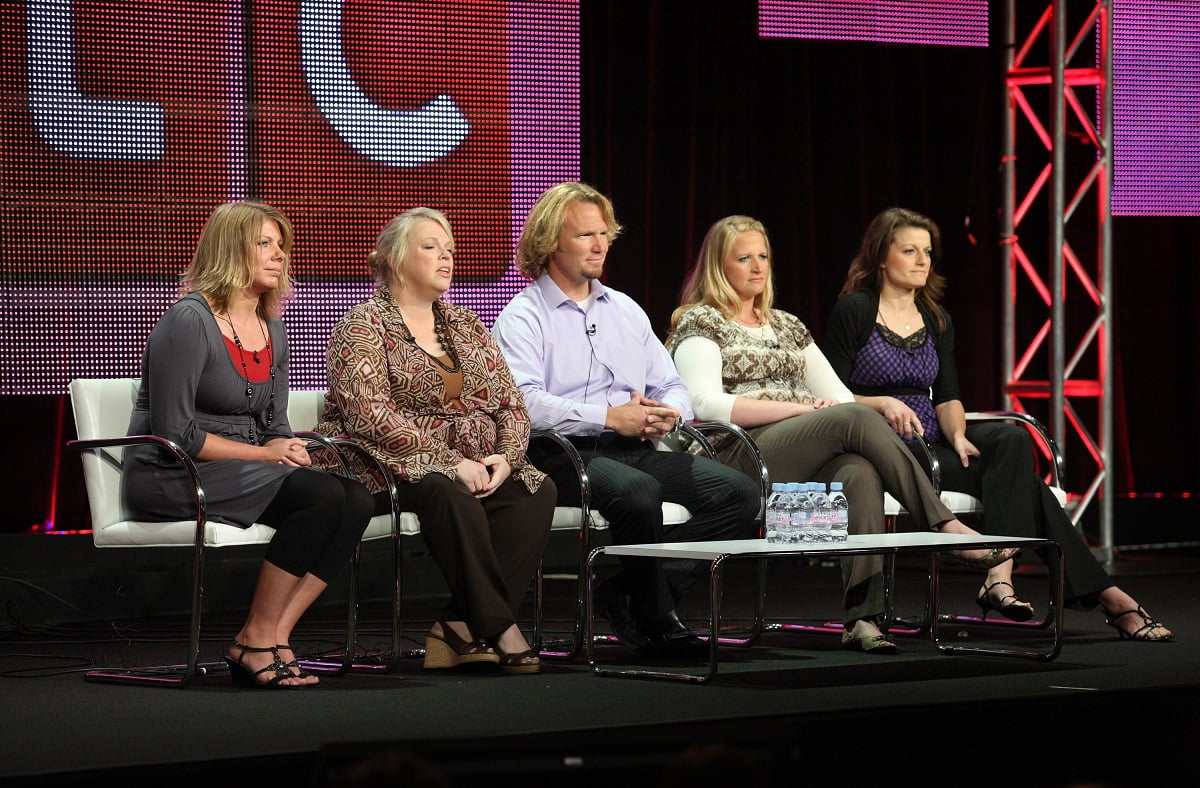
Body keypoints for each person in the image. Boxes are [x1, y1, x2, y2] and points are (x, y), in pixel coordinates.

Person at [664, 214, 1020, 654]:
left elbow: (838, 396)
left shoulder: (788, 326)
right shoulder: (702, 322)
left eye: (763, 257)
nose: (758, 267)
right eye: (744, 258)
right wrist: (799, 409)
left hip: (799, 451)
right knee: (852, 420)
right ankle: (943, 525)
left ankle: (863, 619)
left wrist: (834, 409)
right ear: (720, 266)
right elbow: (705, 405)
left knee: (858, 471)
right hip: (737, 456)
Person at [823, 205, 1173, 642]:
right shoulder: (855, 310)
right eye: (909, 251)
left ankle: (999, 572)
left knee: (1008, 438)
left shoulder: (935, 317)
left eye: (927, 252)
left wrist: (957, 435)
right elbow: (829, 394)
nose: (921, 261)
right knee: (1033, 491)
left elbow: (949, 396)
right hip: (884, 445)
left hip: (934, 442)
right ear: (880, 257)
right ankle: (1108, 597)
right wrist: (881, 404)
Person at [491, 182, 761, 657]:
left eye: (605, 235)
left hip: (635, 449)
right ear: (551, 241)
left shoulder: (624, 309)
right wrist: (609, 418)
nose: (600, 246)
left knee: (738, 492)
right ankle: (659, 617)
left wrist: (669, 413)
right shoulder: (523, 316)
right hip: (559, 455)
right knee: (639, 493)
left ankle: (632, 593)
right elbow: (525, 405)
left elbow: (672, 385)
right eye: (586, 236)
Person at [123, 200, 375, 688]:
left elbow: (275, 422)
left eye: (281, 245)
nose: (278, 254)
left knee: (355, 499)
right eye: (264, 243)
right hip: (173, 472)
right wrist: (268, 453)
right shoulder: (188, 321)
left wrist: (288, 447)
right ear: (229, 250)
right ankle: (257, 637)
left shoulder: (271, 328)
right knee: (321, 498)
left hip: (245, 467)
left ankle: (273, 635)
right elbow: (178, 434)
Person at [315, 207, 555, 674]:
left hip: (472, 459)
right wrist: (446, 461)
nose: (446, 257)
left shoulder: (466, 325)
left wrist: (505, 458)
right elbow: (368, 414)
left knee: (535, 488)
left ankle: (458, 627)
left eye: (450, 250)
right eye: (431, 247)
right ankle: (502, 629)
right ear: (393, 258)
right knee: (451, 494)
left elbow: (510, 403)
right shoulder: (362, 326)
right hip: (385, 460)